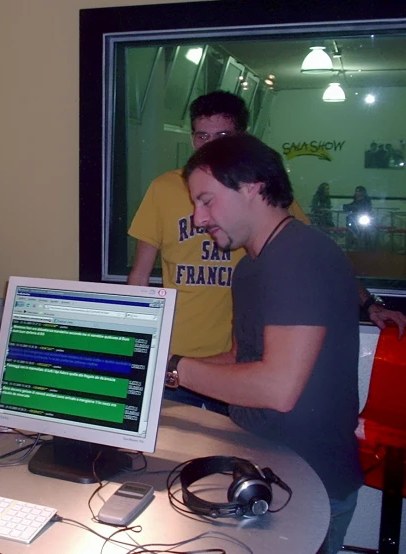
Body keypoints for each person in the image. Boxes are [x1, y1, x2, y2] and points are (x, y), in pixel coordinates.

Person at [172, 134, 363, 553]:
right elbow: (243, 360)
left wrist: (175, 368)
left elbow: (278, 389)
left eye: (207, 200)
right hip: (262, 469)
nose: (198, 218)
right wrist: (165, 374)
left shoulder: (300, 255)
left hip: (312, 485)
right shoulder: (251, 267)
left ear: (253, 186)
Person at [128, 91, 310, 413]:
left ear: (242, 138)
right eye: (203, 136)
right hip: (177, 360)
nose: (211, 146)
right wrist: (134, 343)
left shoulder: (259, 193)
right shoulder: (164, 188)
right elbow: (140, 277)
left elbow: (311, 256)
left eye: (223, 136)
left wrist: (368, 302)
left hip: (238, 362)